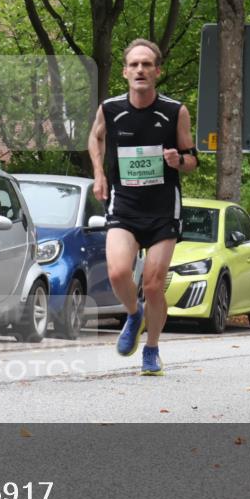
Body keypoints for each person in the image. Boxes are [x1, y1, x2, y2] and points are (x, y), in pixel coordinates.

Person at [89, 39, 198, 375]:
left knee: (152, 284)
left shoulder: (174, 111)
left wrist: (178, 160)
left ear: (157, 72)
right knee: (118, 272)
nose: (140, 70)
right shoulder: (110, 109)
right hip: (124, 203)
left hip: (163, 208)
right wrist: (99, 174)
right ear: (125, 72)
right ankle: (134, 314)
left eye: (146, 64)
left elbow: (193, 160)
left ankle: (151, 348)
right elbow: (95, 137)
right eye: (134, 64)